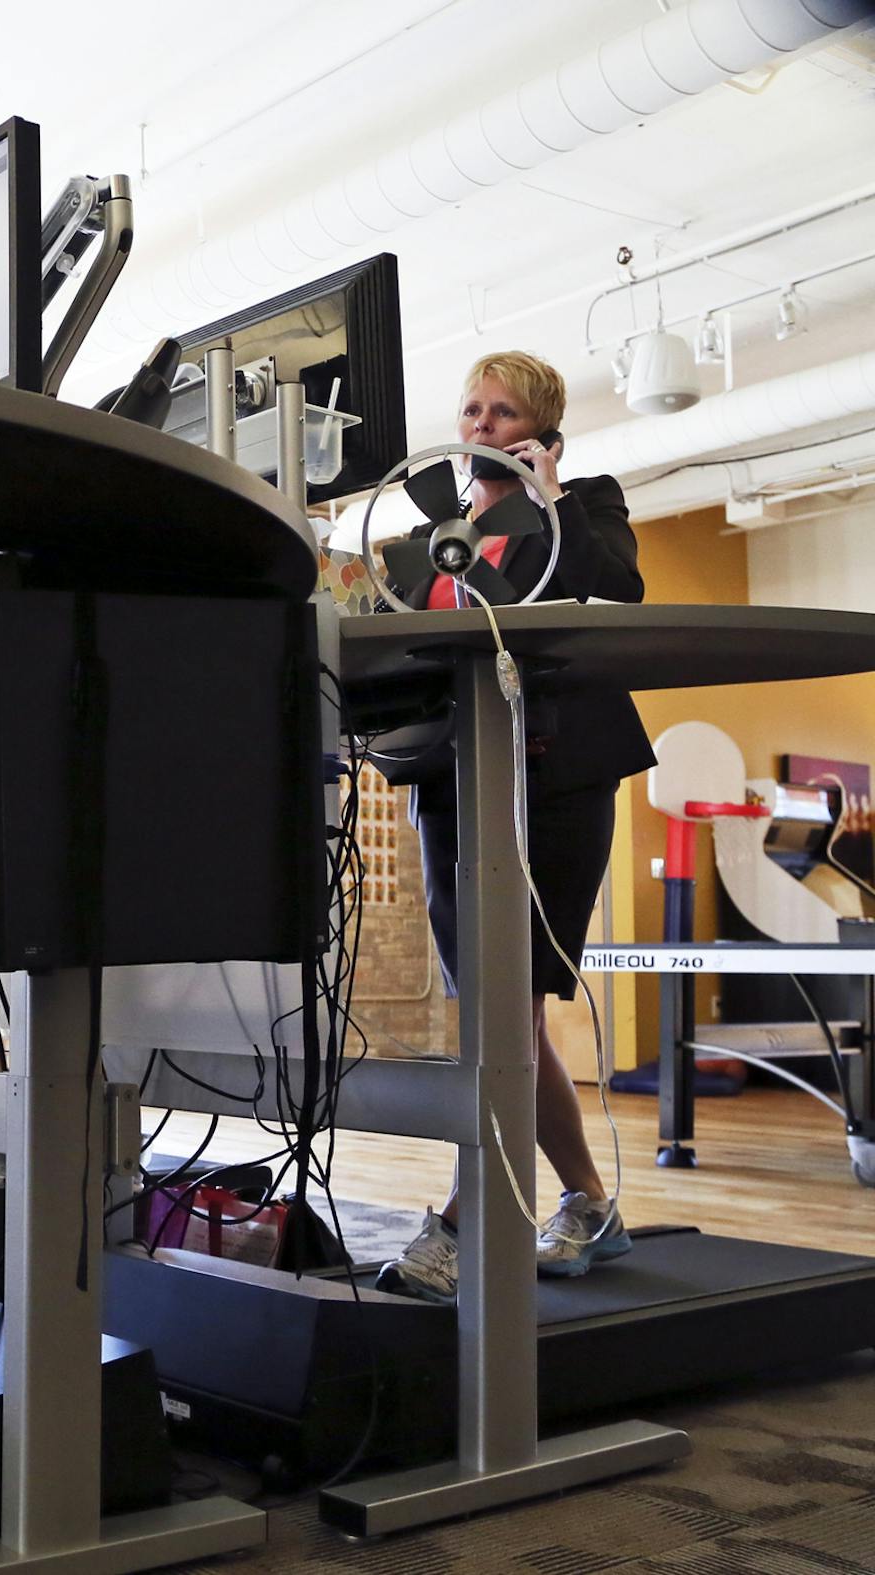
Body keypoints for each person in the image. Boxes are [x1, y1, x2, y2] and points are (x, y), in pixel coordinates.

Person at [374, 351, 653, 1303]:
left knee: (509, 1007)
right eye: (472, 410)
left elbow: (615, 586)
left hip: (556, 778)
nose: (481, 426)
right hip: (454, 781)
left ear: (541, 430)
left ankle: (468, 1217)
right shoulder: (435, 538)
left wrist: (549, 497)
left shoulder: (584, 505)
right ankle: (589, 1201)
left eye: (502, 412)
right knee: (496, 1010)